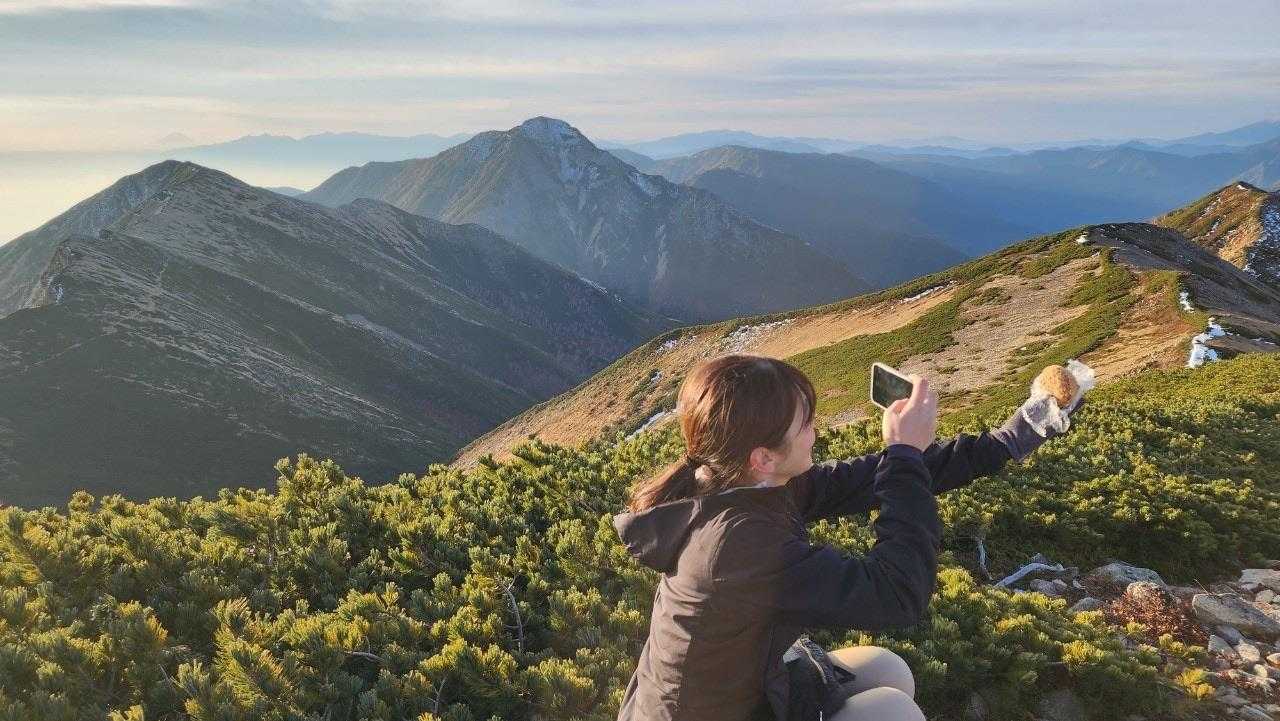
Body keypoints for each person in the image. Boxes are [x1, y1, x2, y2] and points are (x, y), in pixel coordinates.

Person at [612, 354, 1082, 721]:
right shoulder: (735, 546)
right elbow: (897, 593)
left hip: (752, 687)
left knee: (889, 670)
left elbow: (871, 477)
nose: (816, 431)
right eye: (806, 423)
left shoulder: (746, 485)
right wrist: (903, 452)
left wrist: (1016, 436)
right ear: (763, 457)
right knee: (894, 712)